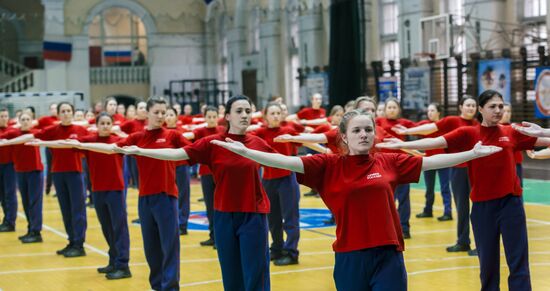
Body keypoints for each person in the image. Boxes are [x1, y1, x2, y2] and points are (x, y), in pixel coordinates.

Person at [211, 109, 501, 291]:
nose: (364, 134)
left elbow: (432, 163)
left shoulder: (387, 162)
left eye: (368, 130)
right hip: (350, 257)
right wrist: (247, 152)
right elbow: (282, 160)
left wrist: (472, 154)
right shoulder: (327, 166)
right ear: (344, 138)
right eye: (357, 130)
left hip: (388, 256)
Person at [377, 90, 550, 291]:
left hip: (511, 205)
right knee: (488, 265)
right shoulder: (469, 133)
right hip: (483, 208)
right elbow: (435, 141)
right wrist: (402, 143)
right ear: (481, 109)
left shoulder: (511, 132)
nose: (498, 111)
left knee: (519, 262)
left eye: (500, 106)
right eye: (492, 107)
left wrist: (542, 132)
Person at [118, 95, 273, 291]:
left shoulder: (258, 143)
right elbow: (176, 154)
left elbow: (284, 163)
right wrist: (142, 151)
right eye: (239, 111)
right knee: (231, 275)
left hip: (254, 215)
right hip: (224, 216)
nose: (244, 115)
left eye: (248, 111)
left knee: (256, 276)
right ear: (227, 116)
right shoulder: (213, 143)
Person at [66, 97, 187, 290]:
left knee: (170, 246)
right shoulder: (137, 138)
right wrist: (84, 146)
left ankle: (171, 287)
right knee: (151, 248)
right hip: (145, 199)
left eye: (163, 112)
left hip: (166, 197)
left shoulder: (172, 136)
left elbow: (193, 149)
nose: (160, 116)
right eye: (156, 112)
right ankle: (157, 285)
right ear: (147, 113)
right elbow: (112, 148)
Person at [31, 113, 132, 279]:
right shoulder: (89, 140)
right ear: (97, 125)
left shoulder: (118, 141)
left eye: (108, 123)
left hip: (116, 190)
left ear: (112, 125)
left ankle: (123, 265)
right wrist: (43, 143)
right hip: (98, 191)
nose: (105, 126)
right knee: (106, 227)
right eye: (102, 123)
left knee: (119, 228)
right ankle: (114, 260)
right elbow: (65, 144)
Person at [1, 102, 89, 257]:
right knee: (66, 210)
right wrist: (7, 142)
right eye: (63, 111)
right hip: (58, 173)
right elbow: (31, 135)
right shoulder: (53, 129)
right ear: (59, 114)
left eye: (69, 111)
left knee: (77, 210)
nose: (66, 113)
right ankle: (71, 241)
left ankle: (79, 244)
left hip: (75, 173)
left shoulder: (80, 130)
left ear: (73, 113)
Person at [392, 96, 478, 253]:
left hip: (475, 170)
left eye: (473, 105)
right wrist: (408, 131)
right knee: (462, 207)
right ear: (460, 107)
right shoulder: (451, 121)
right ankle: (463, 241)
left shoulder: (478, 125)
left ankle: (481, 245)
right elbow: (430, 128)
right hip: (458, 168)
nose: (471, 108)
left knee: (479, 207)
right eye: (468, 105)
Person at [251, 102, 301, 266]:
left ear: (282, 115)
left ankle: (292, 252)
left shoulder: (288, 131)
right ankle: (277, 248)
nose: (275, 116)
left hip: (287, 180)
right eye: (271, 113)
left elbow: (305, 140)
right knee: (273, 219)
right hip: (268, 181)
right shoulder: (259, 133)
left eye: (277, 113)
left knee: (290, 218)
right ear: (265, 116)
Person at [182, 106, 225, 247]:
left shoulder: (223, 131)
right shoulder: (200, 131)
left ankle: (221, 238)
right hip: (206, 174)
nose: (212, 119)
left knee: (221, 206)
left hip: (220, 174)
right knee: (210, 206)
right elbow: (187, 136)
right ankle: (213, 236)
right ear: (205, 118)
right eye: (209, 117)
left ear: (218, 117)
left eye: (214, 117)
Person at [375, 98, 417, 239]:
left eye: (394, 107)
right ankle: (387, 228)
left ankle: (404, 228)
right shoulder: (379, 122)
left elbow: (421, 128)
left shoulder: (404, 123)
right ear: (385, 109)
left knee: (404, 198)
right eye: (389, 107)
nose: (392, 110)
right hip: (384, 167)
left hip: (402, 166)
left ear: (398, 109)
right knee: (387, 199)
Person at [0, 113, 43, 241]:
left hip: (34, 171)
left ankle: (36, 232)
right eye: (23, 119)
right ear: (19, 121)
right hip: (20, 171)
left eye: (27, 119)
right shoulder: (14, 133)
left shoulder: (36, 133)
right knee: (26, 202)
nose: (25, 122)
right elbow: (3, 137)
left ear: (31, 121)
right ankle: (31, 229)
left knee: (34, 202)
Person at [409, 103, 452, 221]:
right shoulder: (424, 125)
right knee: (429, 188)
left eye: (432, 110)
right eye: (428, 111)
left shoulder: (444, 124)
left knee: (445, 188)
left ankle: (448, 212)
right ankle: (428, 210)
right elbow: (412, 128)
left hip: (443, 160)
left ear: (439, 112)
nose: (430, 113)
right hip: (428, 161)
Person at [165, 107, 191, 235]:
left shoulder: (182, 132)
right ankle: (171, 222)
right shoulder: (162, 133)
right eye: (166, 115)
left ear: (176, 117)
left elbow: (189, 148)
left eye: (171, 114)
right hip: (167, 168)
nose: (168, 117)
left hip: (181, 167)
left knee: (183, 195)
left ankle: (182, 224)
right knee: (169, 196)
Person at [0, 107, 17, 232]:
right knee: (2, 194)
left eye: (5, 116)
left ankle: (10, 221)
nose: (4, 118)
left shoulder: (12, 131)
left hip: (10, 166)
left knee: (9, 194)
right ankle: (6, 219)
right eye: (1, 116)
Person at [499, 103, 525, 187]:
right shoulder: (493, 128)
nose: (506, 114)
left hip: (516, 165)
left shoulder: (516, 127)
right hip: (501, 166)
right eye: (504, 111)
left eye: (508, 111)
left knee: (518, 190)